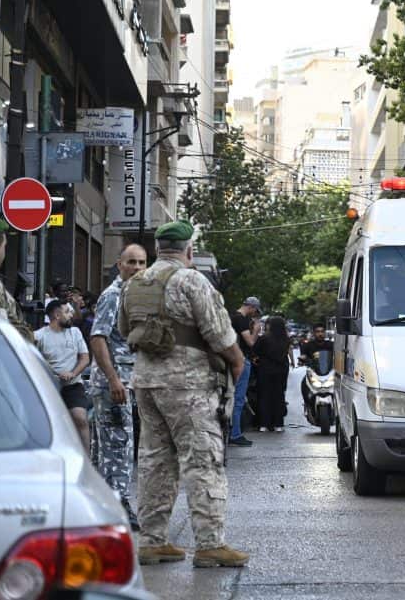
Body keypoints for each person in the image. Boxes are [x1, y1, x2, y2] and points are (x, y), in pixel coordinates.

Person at [119, 220, 247, 568]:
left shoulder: (134, 284)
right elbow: (219, 334)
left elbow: (124, 328)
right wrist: (237, 363)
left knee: (154, 461)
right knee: (202, 459)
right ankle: (210, 544)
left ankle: (152, 541)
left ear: (157, 249)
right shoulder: (191, 280)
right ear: (188, 250)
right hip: (188, 385)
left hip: (146, 382)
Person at [88, 244, 147, 530]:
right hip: (113, 385)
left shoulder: (132, 295)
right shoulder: (113, 295)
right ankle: (118, 505)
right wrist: (113, 379)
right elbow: (98, 338)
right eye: (131, 262)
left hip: (125, 381)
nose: (136, 267)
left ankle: (102, 506)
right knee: (118, 445)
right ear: (119, 264)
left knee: (107, 446)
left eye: (142, 263)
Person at [35, 299, 91, 450]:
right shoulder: (39, 336)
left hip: (73, 384)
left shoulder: (75, 332)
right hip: (49, 387)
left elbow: (85, 358)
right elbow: (34, 362)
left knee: (80, 418)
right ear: (57, 315)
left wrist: (72, 373)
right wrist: (54, 375)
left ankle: (86, 457)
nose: (71, 315)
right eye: (67, 312)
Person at [228, 296, 262, 447]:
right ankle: (235, 433)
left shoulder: (232, 317)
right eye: (255, 311)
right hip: (241, 360)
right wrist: (256, 331)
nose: (254, 314)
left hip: (234, 359)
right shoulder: (241, 320)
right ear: (251, 307)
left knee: (233, 396)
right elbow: (250, 342)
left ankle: (232, 431)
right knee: (239, 398)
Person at [254, 316, 292, 432]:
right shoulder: (286, 339)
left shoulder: (264, 338)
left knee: (265, 396)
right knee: (279, 396)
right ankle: (278, 424)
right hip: (281, 371)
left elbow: (255, 350)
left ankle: (264, 424)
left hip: (265, 370)